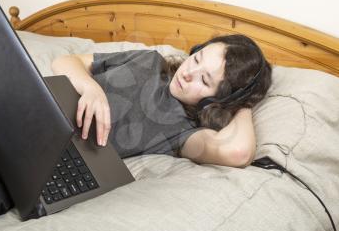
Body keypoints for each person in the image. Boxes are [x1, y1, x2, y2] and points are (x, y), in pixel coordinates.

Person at [51, 34, 272, 168]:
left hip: (51, 154)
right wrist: (90, 88)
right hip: (38, 109)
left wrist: (244, 101)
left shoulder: (184, 132)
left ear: (219, 100)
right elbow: (65, 61)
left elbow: (238, 152)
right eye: (196, 58)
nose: (188, 72)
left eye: (204, 80)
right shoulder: (149, 60)